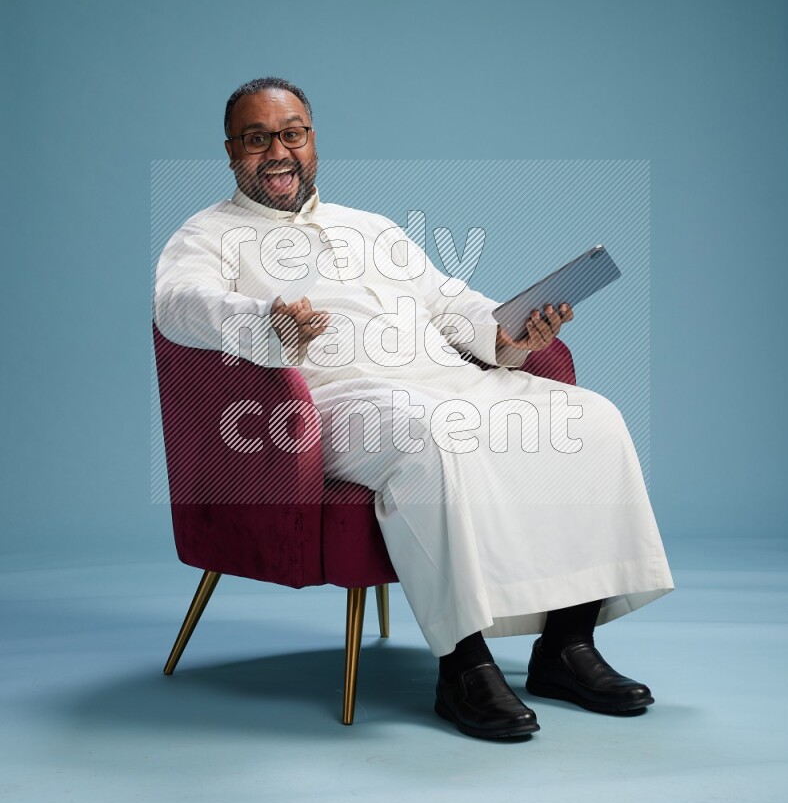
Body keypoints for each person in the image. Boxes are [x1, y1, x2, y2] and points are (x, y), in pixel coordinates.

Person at [154, 76, 674, 740]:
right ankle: (464, 668)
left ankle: (567, 646)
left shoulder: (373, 228)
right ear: (231, 151)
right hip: (332, 402)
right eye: (257, 139)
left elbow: (449, 301)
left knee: (590, 419)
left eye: (292, 134)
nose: (278, 151)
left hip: (445, 378)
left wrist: (509, 332)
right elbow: (178, 306)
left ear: (312, 140)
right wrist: (266, 321)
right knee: (431, 436)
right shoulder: (206, 235)